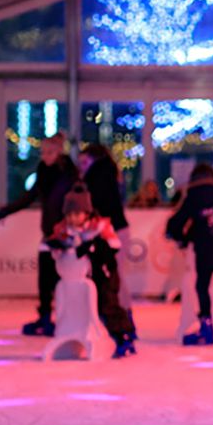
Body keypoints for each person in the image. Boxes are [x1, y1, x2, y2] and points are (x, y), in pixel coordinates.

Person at [0, 134, 81, 336]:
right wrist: (3, 212)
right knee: (45, 278)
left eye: (49, 152)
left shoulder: (69, 173)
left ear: (59, 152)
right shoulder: (44, 171)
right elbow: (29, 197)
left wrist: (69, 226)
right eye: (42, 153)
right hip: (49, 232)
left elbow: (74, 202)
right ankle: (46, 317)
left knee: (65, 278)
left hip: (67, 233)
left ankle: (68, 318)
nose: (44, 156)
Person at [45, 184, 136, 358]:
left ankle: (124, 336)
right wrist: (58, 247)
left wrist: (95, 246)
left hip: (104, 274)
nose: (72, 218)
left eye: (77, 214)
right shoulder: (63, 230)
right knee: (82, 306)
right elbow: (53, 245)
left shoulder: (99, 227)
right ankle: (76, 334)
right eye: (69, 214)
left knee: (107, 304)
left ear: (87, 213)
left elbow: (115, 245)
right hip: (80, 278)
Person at [165, 163, 213, 345]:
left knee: (202, 285)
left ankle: (207, 324)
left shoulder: (194, 194)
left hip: (205, 246)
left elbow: (176, 221)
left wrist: (182, 239)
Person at [80, 143, 137, 337]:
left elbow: (100, 204)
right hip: (114, 228)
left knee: (114, 278)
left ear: (93, 160)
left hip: (109, 231)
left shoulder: (97, 177)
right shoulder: (108, 174)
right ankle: (123, 319)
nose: (82, 166)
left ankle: (122, 321)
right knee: (114, 276)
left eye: (84, 162)